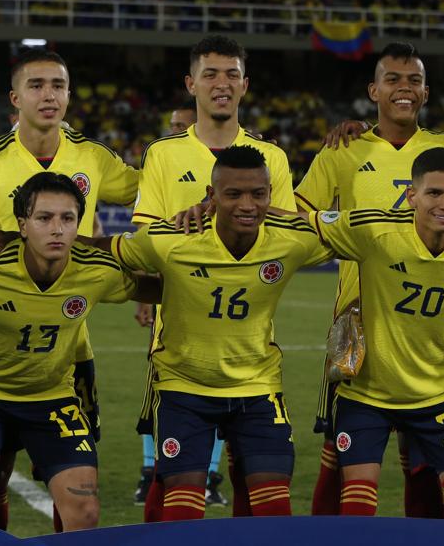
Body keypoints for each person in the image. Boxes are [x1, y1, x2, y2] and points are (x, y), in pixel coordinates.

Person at [294, 42, 444, 518]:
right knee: (337, 454)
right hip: (357, 328)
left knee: (424, 457)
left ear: (426, 92)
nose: (404, 89)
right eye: (393, 79)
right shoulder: (343, 150)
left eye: (414, 81)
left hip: (426, 322)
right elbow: (298, 219)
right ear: (374, 90)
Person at [0, 46, 140, 531]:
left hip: (69, 352)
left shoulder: (93, 157)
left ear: (69, 95)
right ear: (15, 97)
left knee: (72, 488)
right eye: (36, 85)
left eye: (58, 86)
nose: (49, 95)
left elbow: (152, 189)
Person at [96, 145, 331, 520]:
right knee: (183, 516)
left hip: (257, 388)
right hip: (184, 388)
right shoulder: (172, 238)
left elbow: (366, 233)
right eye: (233, 194)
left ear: (271, 195)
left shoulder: (292, 239)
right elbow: (102, 251)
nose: (247, 205)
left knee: (274, 513)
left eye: (258, 194)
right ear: (211, 196)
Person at [0, 172, 160, 530]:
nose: (57, 229)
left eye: (67, 218)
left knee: (85, 512)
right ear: (22, 225)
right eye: (44, 218)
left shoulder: (97, 271)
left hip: (52, 398)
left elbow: (158, 287)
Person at [132, 35, 297, 518]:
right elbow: (144, 242)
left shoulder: (272, 158)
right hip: (181, 350)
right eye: (210, 74)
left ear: (245, 84)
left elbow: (286, 237)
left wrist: (228, 214)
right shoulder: (163, 154)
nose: (221, 84)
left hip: (250, 348)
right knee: (172, 481)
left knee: (254, 480)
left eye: (231, 74)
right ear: (191, 84)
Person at [132, 100, 204, 506]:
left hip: (224, 294)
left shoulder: (235, 162)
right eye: (172, 124)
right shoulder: (163, 158)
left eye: (181, 125)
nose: (174, 130)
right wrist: (148, 292)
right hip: (169, 292)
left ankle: (210, 475)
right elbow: (146, 234)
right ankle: (151, 470)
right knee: (158, 387)